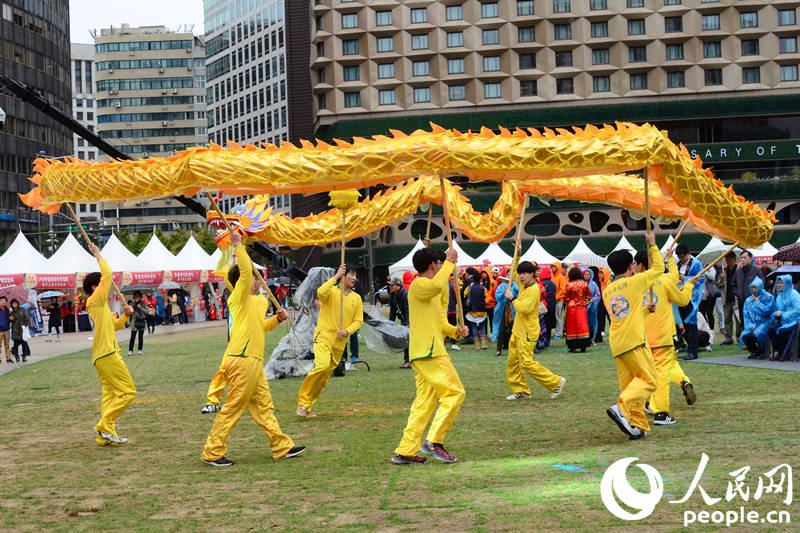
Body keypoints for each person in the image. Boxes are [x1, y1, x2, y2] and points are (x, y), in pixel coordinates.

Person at [201, 231, 304, 466]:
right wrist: (239, 246)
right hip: (241, 360)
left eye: (259, 279)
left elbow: (262, 327)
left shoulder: (257, 302)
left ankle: (281, 446)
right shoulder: (237, 298)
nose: (258, 282)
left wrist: (277, 320)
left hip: (254, 362)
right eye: (255, 279)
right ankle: (212, 451)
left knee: (264, 407)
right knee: (233, 408)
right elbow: (245, 273)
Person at [392, 247, 469, 464]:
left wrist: (455, 331)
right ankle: (434, 441)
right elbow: (436, 284)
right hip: (429, 352)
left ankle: (405, 450)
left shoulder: (432, 290)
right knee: (455, 393)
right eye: (439, 263)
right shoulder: (419, 285)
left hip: (426, 351)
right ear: (433, 264)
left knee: (423, 403)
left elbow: (440, 322)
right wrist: (450, 262)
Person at [603, 233, 664, 441]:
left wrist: (646, 310)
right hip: (634, 341)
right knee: (649, 380)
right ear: (631, 266)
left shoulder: (607, 290)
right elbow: (658, 269)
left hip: (617, 343)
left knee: (632, 385)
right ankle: (622, 407)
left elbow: (623, 314)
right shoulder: (635, 281)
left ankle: (637, 425)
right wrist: (653, 245)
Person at [634, 250, 696, 427]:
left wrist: (668, 257)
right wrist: (689, 285)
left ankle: (647, 404)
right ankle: (660, 411)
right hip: (662, 337)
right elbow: (683, 299)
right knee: (663, 371)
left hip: (641, 337)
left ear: (640, 265)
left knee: (649, 372)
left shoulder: (634, 283)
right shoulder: (664, 281)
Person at [85, 243, 135, 446]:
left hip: (104, 355)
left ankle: (103, 436)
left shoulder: (100, 305)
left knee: (110, 397)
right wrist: (98, 255)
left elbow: (113, 326)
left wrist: (125, 316)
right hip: (107, 355)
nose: (106, 286)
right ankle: (104, 426)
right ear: (95, 287)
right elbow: (108, 274)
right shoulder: (95, 300)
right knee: (128, 392)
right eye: (102, 284)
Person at [296, 264, 363, 417]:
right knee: (322, 366)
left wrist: (347, 331)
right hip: (323, 338)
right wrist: (335, 276)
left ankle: (306, 406)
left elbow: (358, 321)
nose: (354, 278)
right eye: (350, 275)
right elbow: (320, 292)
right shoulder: (331, 291)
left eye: (355, 275)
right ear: (343, 276)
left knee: (324, 377)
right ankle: (302, 401)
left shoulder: (356, 298)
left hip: (339, 345)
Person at [504, 248, 566, 401]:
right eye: (521, 273)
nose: (521, 276)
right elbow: (513, 273)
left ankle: (556, 382)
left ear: (533, 274)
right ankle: (521, 391)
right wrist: (517, 255)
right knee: (513, 362)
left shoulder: (534, 290)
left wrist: (512, 298)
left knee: (526, 362)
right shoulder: (524, 284)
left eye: (525, 273)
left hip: (528, 332)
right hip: (518, 330)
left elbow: (524, 308)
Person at [675, 244, 704, 361]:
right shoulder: (678, 264)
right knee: (684, 325)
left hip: (692, 297)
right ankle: (689, 349)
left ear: (688, 254)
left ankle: (693, 351)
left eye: (682, 257)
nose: (681, 259)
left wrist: (685, 278)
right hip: (680, 296)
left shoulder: (696, 264)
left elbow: (701, 278)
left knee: (692, 325)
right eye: (679, 257)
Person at [739, 277, 775, 360]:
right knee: (745, 335)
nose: (754, 290)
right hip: (754, 323)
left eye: (755, 287)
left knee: (758, 333)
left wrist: (757, 302)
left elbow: (768, 311)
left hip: (766, 322)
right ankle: (755, 351)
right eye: (752, 287)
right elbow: (746, 315)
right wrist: (750, 324)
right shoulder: (748, 300)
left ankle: (764, 351)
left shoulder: (768, 297)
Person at [732, 250, 764, 342]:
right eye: (741, 258)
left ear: (750, 258)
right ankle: (748, 341)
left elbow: (762, 283)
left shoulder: (756, 270)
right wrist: (736, 293)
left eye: (744, 258)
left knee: (754, 321)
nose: (742, 260)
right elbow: (733, 284)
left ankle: (756, 339)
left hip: (753, 302)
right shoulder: (738, 272)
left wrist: (757, 295)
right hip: (741, 302)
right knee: (743, 320)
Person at [767, 274, 800, 361]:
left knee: (782, 331)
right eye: (778, 283)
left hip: (795, 321)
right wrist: (775, 315)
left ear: (787, 283)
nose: (779, 285)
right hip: (783, 322)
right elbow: (777, 310)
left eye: (781, 283)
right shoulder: (779, 297)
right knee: (771, 330)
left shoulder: (795, 295)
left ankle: (786, 352)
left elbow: (797, 310)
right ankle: (780, 351)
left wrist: (783, 314)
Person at [563, 267, 591, 352]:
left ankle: (572, 346)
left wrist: (568, 301)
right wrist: (584, 302)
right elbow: (589, 297)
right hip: (582, 307)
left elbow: (566, 298)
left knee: (572, 326)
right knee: (582, 326)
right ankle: (583, 346)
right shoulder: (584, 284)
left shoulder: (569, 285)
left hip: (571, 308)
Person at [492, 275, 518, 357]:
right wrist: (504, 293)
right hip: (503, 311)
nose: (510, 276)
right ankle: (498, 350)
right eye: (508, 274)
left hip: (513, 311)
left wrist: (511, 293)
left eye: (511, 274)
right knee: (501, 330)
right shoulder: (501, 286)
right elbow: (497, 297)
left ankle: (513, 350)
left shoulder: (516, 285)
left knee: (514, 331)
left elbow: (518, 294)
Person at [388, 275, 410, 368]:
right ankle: (407, 361)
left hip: (410, 320)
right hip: (403, 321)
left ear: (398, 286)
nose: (390, 287)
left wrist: (408, 324)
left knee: (410, 341)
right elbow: (392, 311)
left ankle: (411, 361)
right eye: (390, 285)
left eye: (392, 285)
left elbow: (408, 309)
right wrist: (390, 324)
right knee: (405, 341)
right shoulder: (392, 296)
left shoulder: (405, 294)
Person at [719, 251, 739, 345]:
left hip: (736, 298)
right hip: (726, 298)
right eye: (727, 260)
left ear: (735, 260)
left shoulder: (739, 270)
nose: (729, 261)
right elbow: (718, 285)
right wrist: (722, 279)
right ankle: (728, 339)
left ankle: (739, 338)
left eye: (730, 259)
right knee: (727, 319)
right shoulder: (724, 271)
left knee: (738, 320)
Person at [466, 272, 488, 349]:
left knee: (474, 327)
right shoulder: (483, 288)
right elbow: (485, 296)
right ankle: (484, 344)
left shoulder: (470, 287)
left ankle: (477, 345)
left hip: (473, 310)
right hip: (482, 310)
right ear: (480, 279)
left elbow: (465, 294)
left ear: (473, 279)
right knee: (482, 326)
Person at [539, 267, 557, 348]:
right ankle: (548, 341)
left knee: (542, 325)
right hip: (552, 307)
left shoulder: (541, 284)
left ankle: (543, 341)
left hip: (543, 307)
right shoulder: (553, 284)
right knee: (549, 326)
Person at [128, 291, 148, 356]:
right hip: (134, 322)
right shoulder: (132, 304)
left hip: (141, 321)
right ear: (134, 297)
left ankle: (140, 350)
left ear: (140, 297)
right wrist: (133, 306)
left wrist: (140, 307)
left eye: (138, 296)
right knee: (132, 337)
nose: (137, 297)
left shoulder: (143, 303)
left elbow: (146, 312)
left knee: (140, 336)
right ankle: (130, 350)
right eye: (136, 296)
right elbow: (129, 313)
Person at [551, 262, 568, 339]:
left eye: (555, 267)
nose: (553, 268)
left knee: (558, 316)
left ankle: (558, 332)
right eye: (552, 267)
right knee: (553, 316)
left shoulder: (561, 277)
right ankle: (556, 331)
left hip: (559, 300)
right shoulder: (552, 277)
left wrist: (557, 297)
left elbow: (563, 289)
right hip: (552, 300)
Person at [584, 268, 601, 343]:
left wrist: (592, 300)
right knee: (584, 323)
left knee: (592, 323)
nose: (587, 276)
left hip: (592, 307)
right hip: (583, 306)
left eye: (588, 274)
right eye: (585, 274)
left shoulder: (594, 284)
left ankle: (591, 338)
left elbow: (598, 295)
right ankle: (585, 338)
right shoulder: (581, 283)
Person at [0, 296, 11, 363]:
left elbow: (10, 319)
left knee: (7, 345)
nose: (3, 301)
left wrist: (11, 313)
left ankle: (8, 358)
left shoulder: (7, 310)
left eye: (4, 300)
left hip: (7, 329)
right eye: (1, 300)